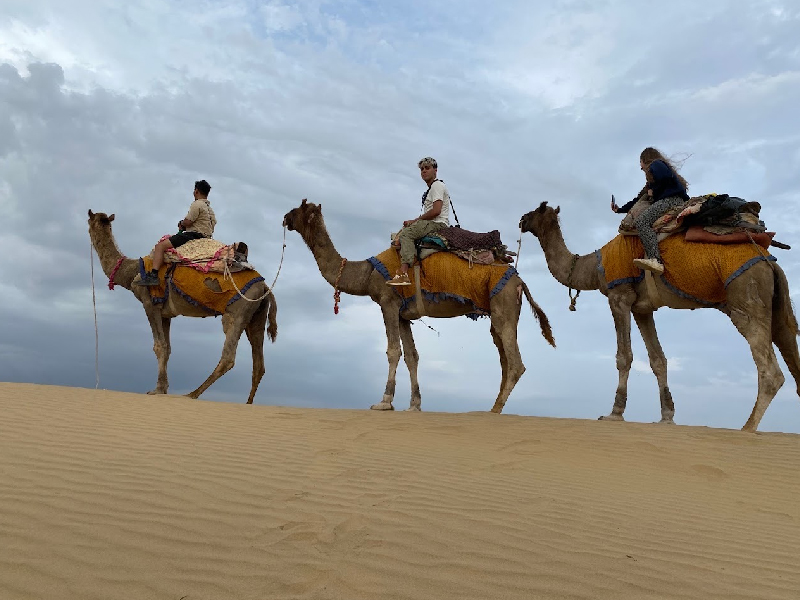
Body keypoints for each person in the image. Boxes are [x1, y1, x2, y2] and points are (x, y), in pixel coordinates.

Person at [611, 147, 689, 274]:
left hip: (671, 200)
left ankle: (655, 260)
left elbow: (663, 177)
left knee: (641, 222)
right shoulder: (654, 179)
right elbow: (638, 200)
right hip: (672, 200)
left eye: (640, 163)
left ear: (645, 159)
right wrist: (619, 209)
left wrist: (654, 192)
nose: (641, 168)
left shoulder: (656, 164)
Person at [135, 179, 217, 286]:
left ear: (196, 191)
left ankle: (153, 275)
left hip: (193, 236)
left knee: (160, 246)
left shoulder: (197, 204)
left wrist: (182, 223)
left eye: (194, 190)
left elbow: (189, 221)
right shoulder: (211, 211)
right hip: (207, 238)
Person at [387, 157, 451, 286]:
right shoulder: (432, 188)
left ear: (435, 170)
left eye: (427, 168)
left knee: (406, 234)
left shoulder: (437, 185)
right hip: (433, 222)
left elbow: (436, 211)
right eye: (422, 169)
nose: (424, 171)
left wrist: (415, 220)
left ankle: (403, 273)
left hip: (437, 223)